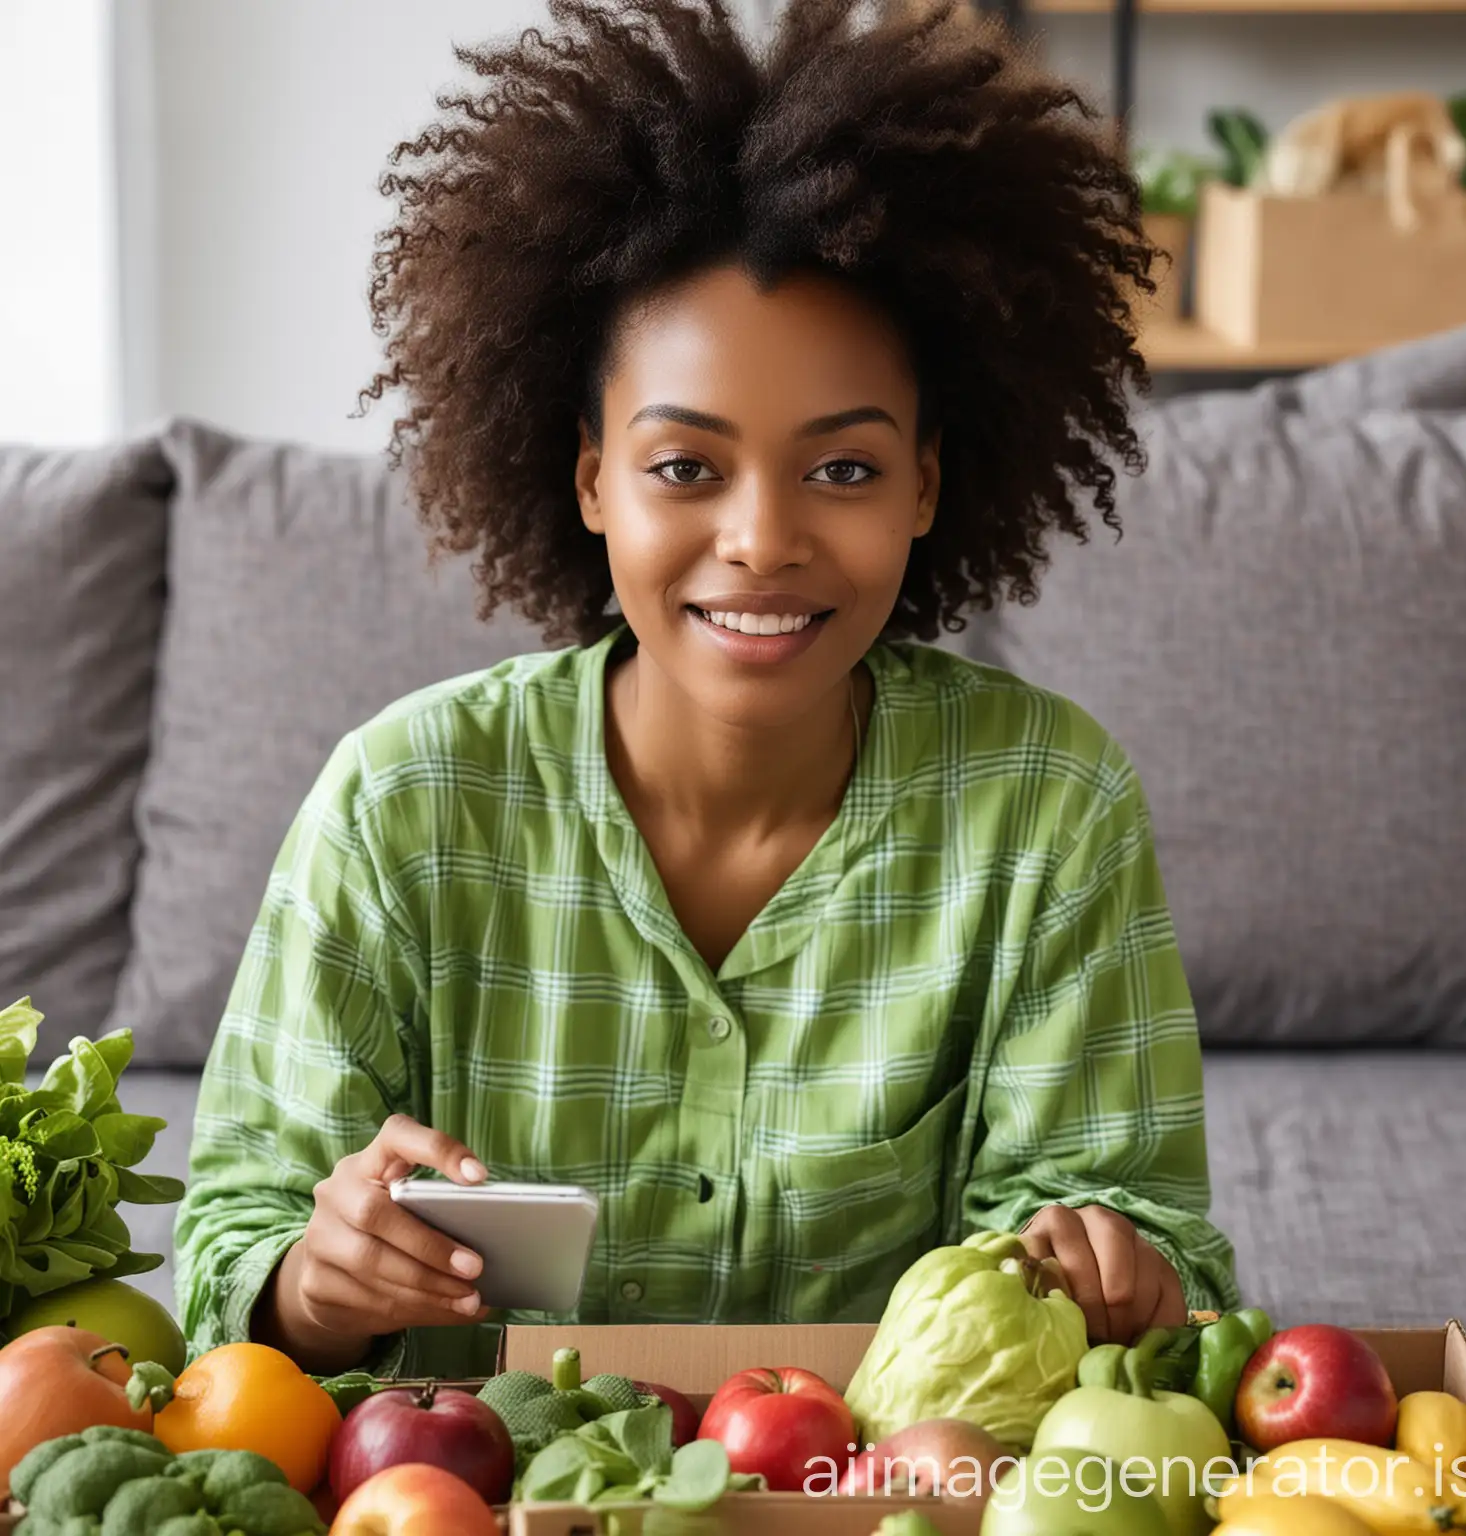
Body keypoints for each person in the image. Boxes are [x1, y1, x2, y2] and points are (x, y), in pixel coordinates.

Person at [175, 0, 1240, 1381]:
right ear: (588, 478)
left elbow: (1162, 1252)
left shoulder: (1045, 807)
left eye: (844, 469)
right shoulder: (402, 802)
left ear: (928, 481)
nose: (762, 539)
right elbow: (229, 1246)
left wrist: (1113, 1265)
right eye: (686, 466)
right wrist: (313, 1285)